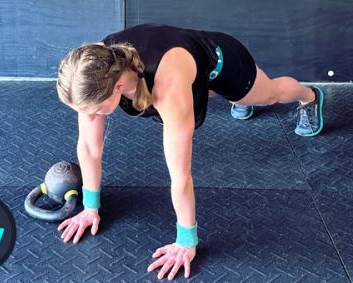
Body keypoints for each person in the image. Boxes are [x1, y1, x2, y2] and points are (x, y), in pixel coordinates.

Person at [55, 23, 324, 280]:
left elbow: (181, 176)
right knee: (194, 86)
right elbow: (90, 147)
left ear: (118, 87)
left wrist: (186, 241)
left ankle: (309, 97)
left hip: (223, 63)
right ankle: (228, 94)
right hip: (185, 63)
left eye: (95, 110)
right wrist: (90, 208)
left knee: (267, 94)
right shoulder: (94, 67)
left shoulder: (167, 88)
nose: (90, 117)